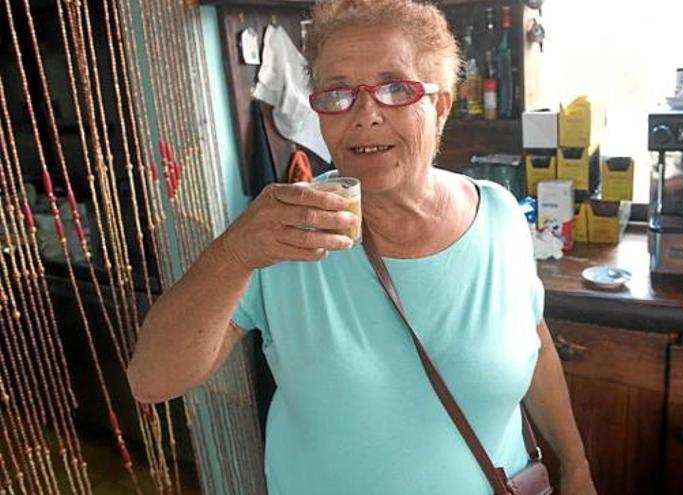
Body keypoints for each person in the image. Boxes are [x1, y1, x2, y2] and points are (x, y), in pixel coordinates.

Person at [127, 1, 596, 493]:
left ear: (439, 106)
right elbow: (152, 381)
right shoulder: (283, 234)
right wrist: (232, 254)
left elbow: (534, 342)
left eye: (396, 88)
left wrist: (576, 464)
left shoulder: (499, 217)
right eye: (338, 93)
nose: (364, 114)